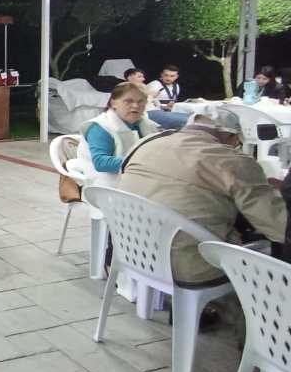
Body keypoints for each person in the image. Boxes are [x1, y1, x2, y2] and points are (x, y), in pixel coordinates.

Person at [119, 112, 287, 286]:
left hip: (135, 251)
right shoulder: (232, 160)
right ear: (233, 137)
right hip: (192, 265)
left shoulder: (146, 144)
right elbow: (278, 227)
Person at [78, 82, 158, 187]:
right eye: (128, 101)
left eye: (141, 101)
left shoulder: (144, 124)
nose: (136, 106)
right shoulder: (100, 126)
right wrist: (144, 162)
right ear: (113, 103)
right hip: (105, 184)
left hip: (135, 177)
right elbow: (101, 163)